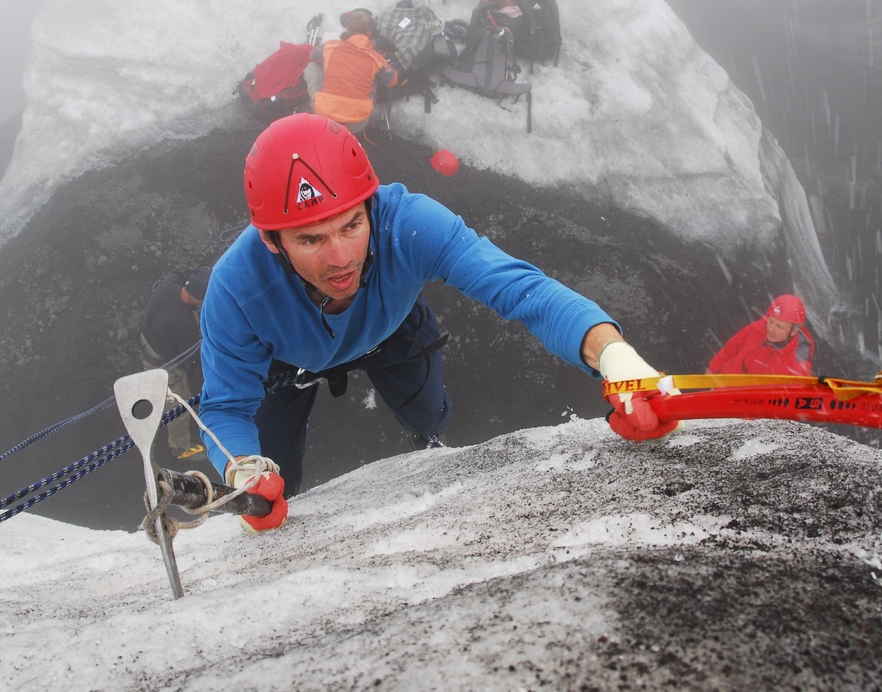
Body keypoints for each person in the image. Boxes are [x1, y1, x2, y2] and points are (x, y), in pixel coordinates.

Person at [198, 114, 669, 533]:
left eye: (351, 226)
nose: (340, 259)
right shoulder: (236, 288)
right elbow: (225, 408)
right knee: (273, 478)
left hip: (390, 330)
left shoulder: (407, 223)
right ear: (272, 242)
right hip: (287, 358)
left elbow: (522, 290)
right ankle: (288, 488)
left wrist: (615, 356)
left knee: (426, 412)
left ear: (372, 209)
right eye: (311, 239)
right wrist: (244, 472)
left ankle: (429, 441)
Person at [137, 267, 212, 459]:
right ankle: (179, 447)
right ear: (199, 298)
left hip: (148, 338)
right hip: (162, 361)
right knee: (179, 406)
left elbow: (178, 273)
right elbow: (192, 358)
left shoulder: (171, 283)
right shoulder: (182, 325)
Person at [303, 8, 397, 134]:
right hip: (356, 122)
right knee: (373, 76)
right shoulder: (375, 58)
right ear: (369, 33)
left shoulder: (330, 46)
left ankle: (316, 103)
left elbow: (313, 55)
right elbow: (392, 81)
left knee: (312, 66)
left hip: (324, 115)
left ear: (347, 27)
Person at [707, 294, 814, 376]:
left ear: (793, 331)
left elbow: (792, 396)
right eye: (771, 322)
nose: (771, 329)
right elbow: (730, 348)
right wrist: (711, 373)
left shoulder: (799, 361)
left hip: (750, 402)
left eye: (779, 327)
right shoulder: (757, 328)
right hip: (722, 387)